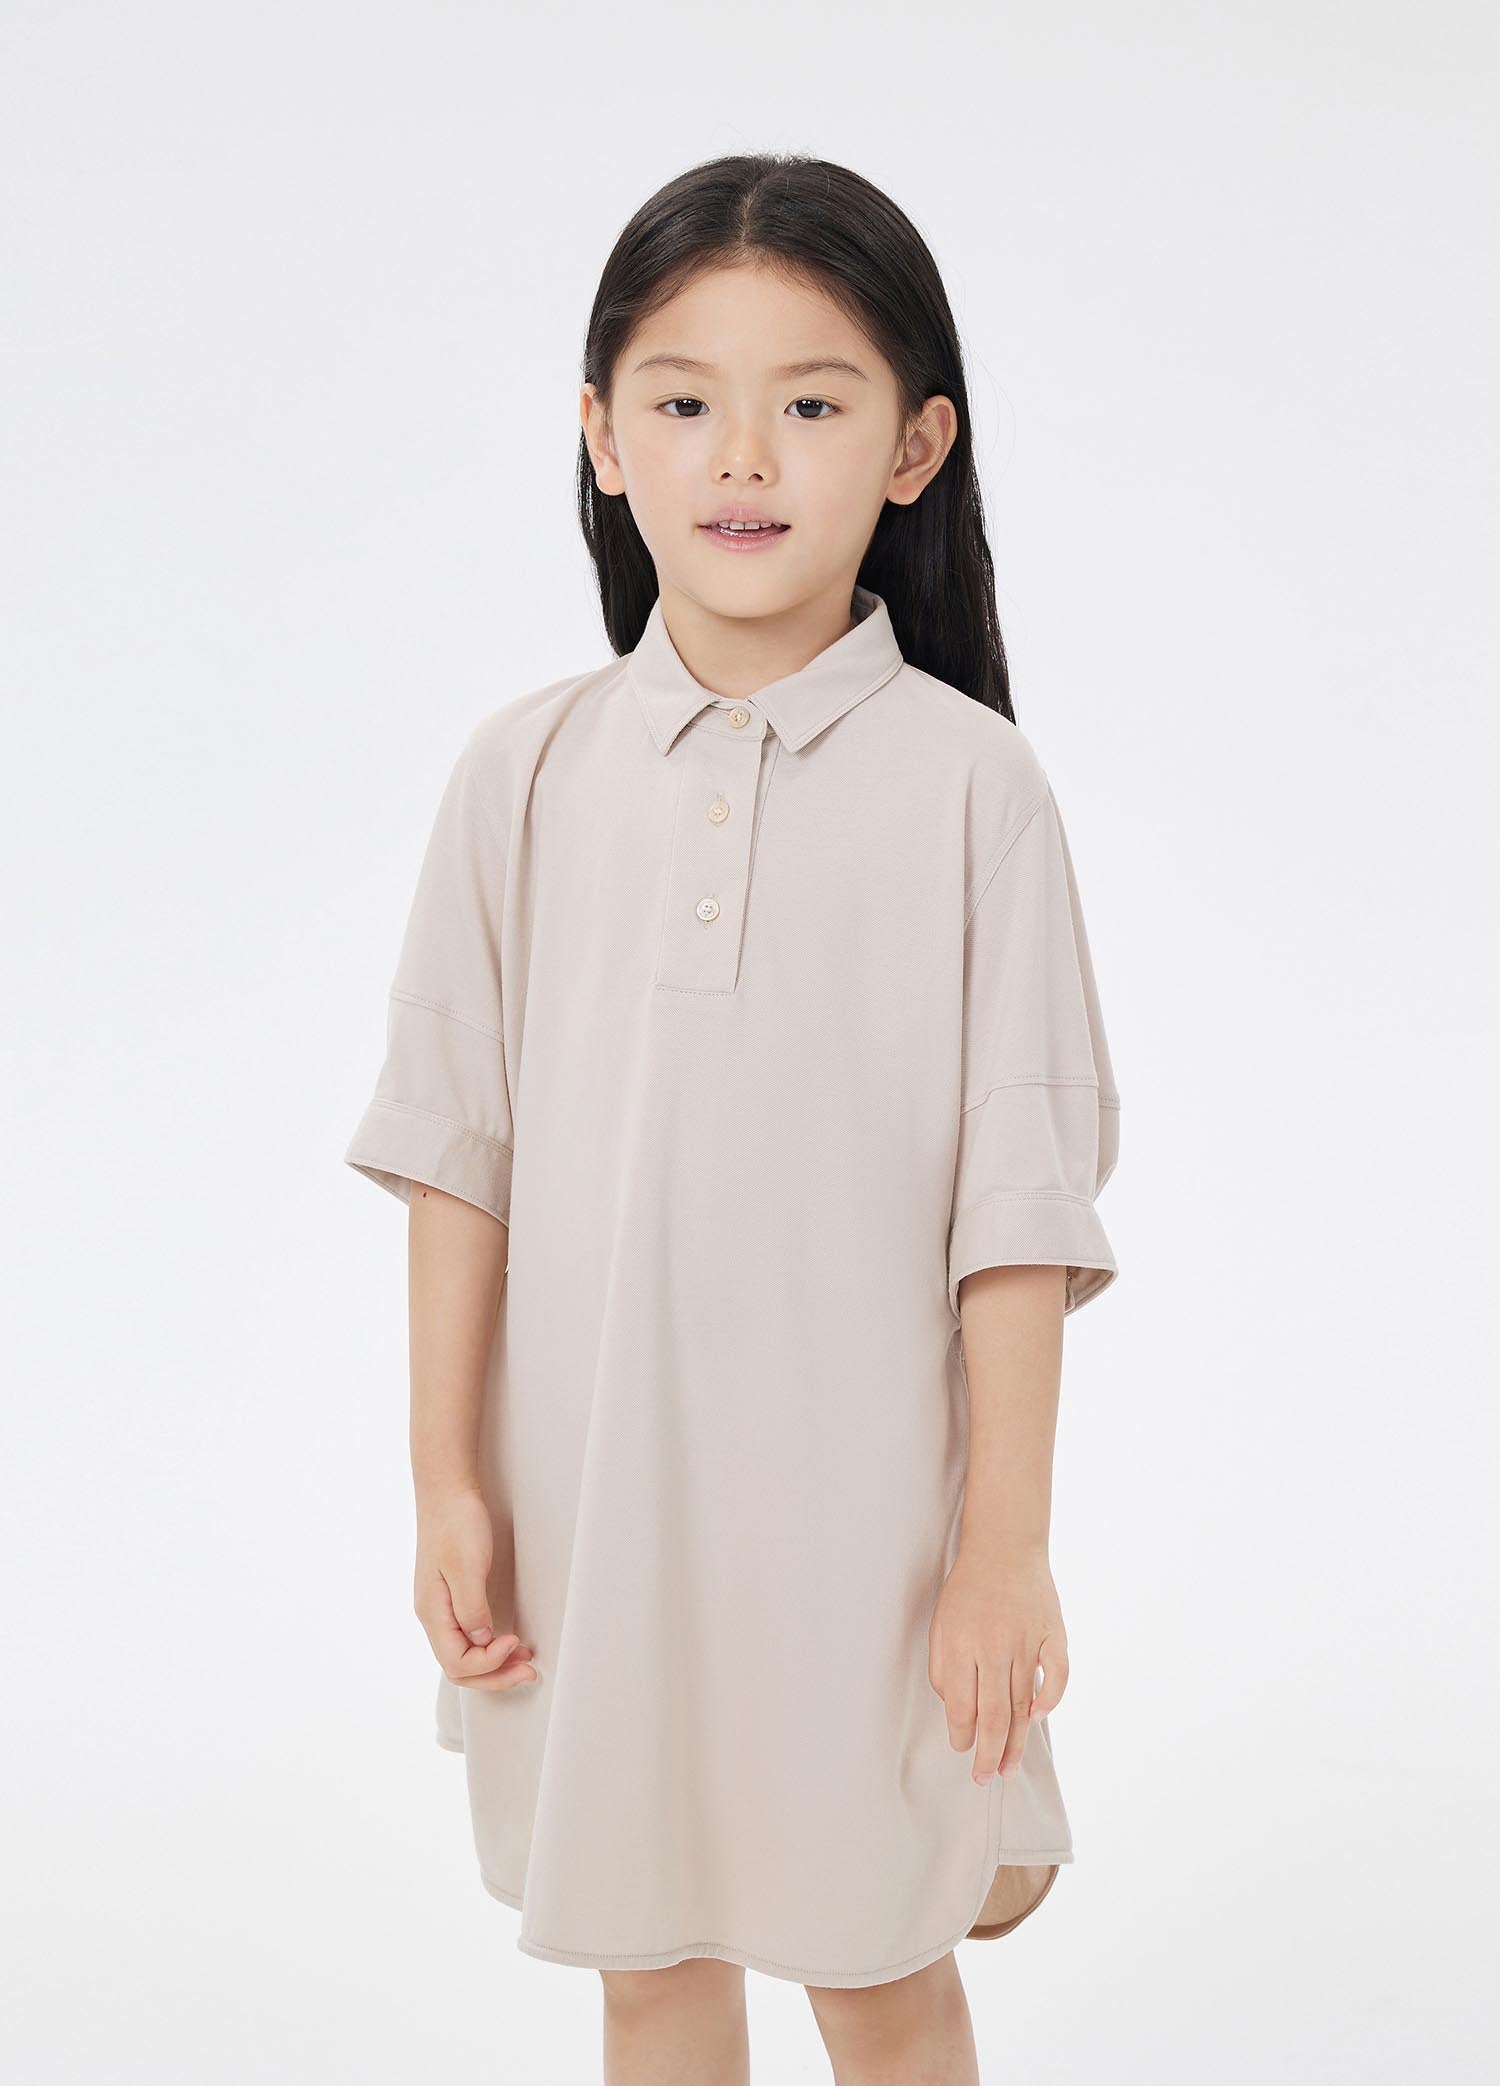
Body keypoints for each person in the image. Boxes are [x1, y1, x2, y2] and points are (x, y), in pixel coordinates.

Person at [343, 151, 1123, 2085]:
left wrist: (1003, 1549)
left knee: (879, 1963)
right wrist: (445, 1475)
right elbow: (457, 1156)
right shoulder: (522, 774)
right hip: (597, 1504)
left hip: (870, 1529)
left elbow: (1018, 1212)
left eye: (814, 402)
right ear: (603, 436)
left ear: (917, 445)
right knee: (650, 1961)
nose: (744, 455)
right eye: (685, 400)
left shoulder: (976, 792)